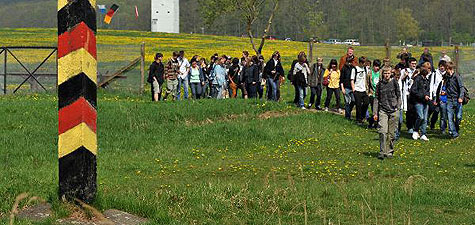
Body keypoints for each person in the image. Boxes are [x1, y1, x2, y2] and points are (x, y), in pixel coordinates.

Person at [373, 66, 401, 160]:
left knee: (391, 133)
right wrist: (375, 112)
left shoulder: (394, 83)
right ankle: (382, 151)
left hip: (393, 110)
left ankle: (389, 151)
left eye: (388, 73)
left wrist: (398, 107)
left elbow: (399, 96)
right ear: (382, 74)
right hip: (383, 110)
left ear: (391, 74)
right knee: (383, 131)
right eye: (385, 73)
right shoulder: (379, 84)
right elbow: (376, 98)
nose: (386, 75)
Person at [444, 61, 465, 139]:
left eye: (446, 69)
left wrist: (460, 97)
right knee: (450, 118)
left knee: (458, 117)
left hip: (457, 99)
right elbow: (445, 86)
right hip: (449, 100)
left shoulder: (456, 76)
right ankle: (454, 133)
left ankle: (456, 128)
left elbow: (461, 87)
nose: (445, 70)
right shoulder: (446, 76)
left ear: (449, 68)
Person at [410, 69, 431, 141]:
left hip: (425, 101)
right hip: (418, 101)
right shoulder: (418, 79)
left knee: (425, 119)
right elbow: (413, 90)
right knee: (420, 117)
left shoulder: (427, 80)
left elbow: (428, 90)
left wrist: (427, 95)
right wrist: (423, 96)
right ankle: (415, 131)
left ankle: (423, 133)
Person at [427, 60, 447, 130]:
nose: (442, 68)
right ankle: (432, 123)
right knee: (435, 111)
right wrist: (431, 95)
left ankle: (442, 128)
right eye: (441, 66)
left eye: (443, 66)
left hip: (444, 95)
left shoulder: (447, 74)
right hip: (436, 95)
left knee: (443, 112)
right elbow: (432, 84)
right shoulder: (435, 73)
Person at [401, 57, 418, 134]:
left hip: (415, 94)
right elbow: (400, 80)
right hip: (407, 93)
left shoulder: (417, 71)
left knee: (415, 111)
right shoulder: (404, 71)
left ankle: (415, 126)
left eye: (415, 63)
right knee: (409, 111)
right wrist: (405, 76)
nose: (414, 65)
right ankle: (410, 127)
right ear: (409, 64)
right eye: (412, 63)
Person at [351, 57, 370, 124]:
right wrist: (354, 90)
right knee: (358, 105)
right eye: (364, 63)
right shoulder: (355, 69)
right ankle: (358, 120)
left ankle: (362, 116)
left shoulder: (366, 69)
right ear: (361, 63)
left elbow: (367, 78)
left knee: (366, 102)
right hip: (357, 89)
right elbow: (352, 80)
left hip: (364, 90)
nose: (365, 64)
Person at [368, 59, 381, 128]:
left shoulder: (381, 73)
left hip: (380, 94)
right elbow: (367, 83)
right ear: (373, 66)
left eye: (378, 66)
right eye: (376, 66)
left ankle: (373, 122)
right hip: (372, 94)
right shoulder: (370, 73)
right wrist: (368, 92)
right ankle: (373, 123)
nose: (377, 68)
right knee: (374, 111)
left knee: (379, 111)